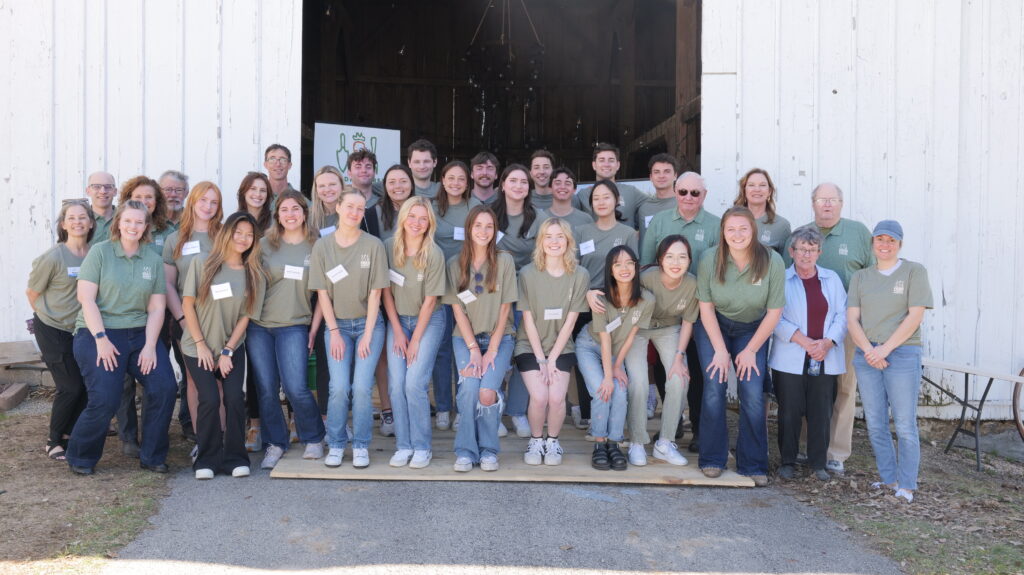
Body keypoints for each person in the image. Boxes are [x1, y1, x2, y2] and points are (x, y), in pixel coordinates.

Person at [65, 200, 177, 475]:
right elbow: (86, 299)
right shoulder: (100, 253)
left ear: (146, 227)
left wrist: (150, 346)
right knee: (106, 396)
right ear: (118, 223)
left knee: (164, 387)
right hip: (98, 331)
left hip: (140, 333)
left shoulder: (152, 257)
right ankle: (80, 456)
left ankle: (152, 456)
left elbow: (156, 307)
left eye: (139, 222)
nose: (133, 226)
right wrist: (101, 339)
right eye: (127, 221)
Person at [695, 206, 785, 486]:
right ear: (722, 232)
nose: (737, 234)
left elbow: (774, 312)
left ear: (753, 230)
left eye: (743, 228)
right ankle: (712, 458)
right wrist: (721, 351)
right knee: (714, 386)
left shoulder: (772, 260)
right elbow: (706, 307)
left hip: (752, 330)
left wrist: (750, 350)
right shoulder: (710, 258)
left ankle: (753, 463)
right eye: (731, 229)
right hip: (715, 326)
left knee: (753, 392)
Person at [847, 220, 932, 503]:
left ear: (900, 244)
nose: (885, 245)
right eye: (880, 239)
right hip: (866, 353)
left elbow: (915, 316)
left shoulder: (913, 272)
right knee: (875, 421)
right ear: (872, 243)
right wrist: (869, 350)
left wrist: (885, 349)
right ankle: (888, 477)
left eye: (891, 241)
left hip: (902, 353)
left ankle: (907, 485)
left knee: (905, 423)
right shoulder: (861, 277)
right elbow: (852, 319)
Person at [793, 182, 874, 475]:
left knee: (843, 387)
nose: (827, 205)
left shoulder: (858, 233)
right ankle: (806, 445)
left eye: (832, 200)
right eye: (821, 199)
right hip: (806, 326)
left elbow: (873, 276)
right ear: (812, 203)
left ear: (841, 203)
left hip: (847, 325)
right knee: (807, 387)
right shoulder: (801, 234)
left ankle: (836, 452)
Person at [181, 212, 267, 479]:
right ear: (227, 232)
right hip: (198, 346)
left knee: (233, 398)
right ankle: (206, 459)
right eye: (238, 232)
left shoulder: (254, 274)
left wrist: (228, 350)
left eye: (249, 234)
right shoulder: (202, 263)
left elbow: (247, 315)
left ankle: (235, 457)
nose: (243, 239)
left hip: (232, 347)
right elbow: (187, 304)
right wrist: (202, 345)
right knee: (208, 398)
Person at [641, 171, 721, 452]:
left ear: (704, 195)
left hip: (702, 309)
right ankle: (671, 425)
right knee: (666, 369)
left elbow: (721, 269)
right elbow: (648, 263)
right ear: (675, 192)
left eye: (695, 193)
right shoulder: (660, 221)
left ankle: (699, 429)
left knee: (698, 370)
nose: (688, 197)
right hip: (666, 310)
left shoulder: (715, 225)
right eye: (683, 192)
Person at [246, 190, 326, 470]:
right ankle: (275, 443)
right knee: (266, 389)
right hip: (260, 327)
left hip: (295, 324)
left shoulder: (317, 246)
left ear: (304, 212)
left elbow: (324, 294)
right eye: (284, 210)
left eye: (295, 209)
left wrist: (313, 329)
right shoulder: (264, 244)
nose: (290, 214)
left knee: (296, 388)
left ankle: (314, 438)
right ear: (277, 215)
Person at [309, 188, 389, 468]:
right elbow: (322, 293)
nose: (355, 212)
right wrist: (332, 333)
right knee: (339, 387)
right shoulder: (323, 246)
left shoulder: (373, 245)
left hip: (369, 324)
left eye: (360, 208)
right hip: (338, 326)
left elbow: (377, 295)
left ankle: (362, 445)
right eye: (350, 207)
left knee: (363, 388)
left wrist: (368, 334)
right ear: (339, 208)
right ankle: (337, 442)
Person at [769, 226, 847, 481]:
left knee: (821, 410)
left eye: (812, 250)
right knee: (789, 411)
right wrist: (803, 340)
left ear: (819, 252)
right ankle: (788, 461)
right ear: (791, 251)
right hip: (790, 355)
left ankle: (818, 463)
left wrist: (827, 343)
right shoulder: (781, 278)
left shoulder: (831, 279)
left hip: (824, 355)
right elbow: (774, 316)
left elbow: (842, 315)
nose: (806, 255)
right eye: (801, 249)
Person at [446, 206, 517, 472]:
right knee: (468, 390)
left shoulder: (505, 261)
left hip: (500, 338)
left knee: (487, 393)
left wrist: (492, 350)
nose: (483, 231)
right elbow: (457, 310)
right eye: (478, 225)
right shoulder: (456, 264)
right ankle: (465, 450)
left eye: (489, 226)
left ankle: (488, 450)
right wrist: (474, 349)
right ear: (468, 229)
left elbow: (505, 308)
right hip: (465, 339)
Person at [515, 218, 590, 465]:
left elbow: (570, 322)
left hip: (561, 346)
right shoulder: (527, 274)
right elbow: (528, 321)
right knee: (540, 397)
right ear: (540, 241)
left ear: (568, 240)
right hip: (530, 346)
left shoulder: (579, 275)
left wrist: (553, 359)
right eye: (548, 236)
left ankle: (553, 441)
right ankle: (536, 441)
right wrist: (541, 360)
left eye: (560, 236)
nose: (554, 241)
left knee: (557, 398)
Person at [620, 235, 698, 466]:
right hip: (638, 328)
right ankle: (636, 441)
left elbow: (687, 322)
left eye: (682, 257)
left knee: (678, 378)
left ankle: (665, 442)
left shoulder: (692, 284)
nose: (676, 262)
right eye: (670, 256)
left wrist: (678, 357)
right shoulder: (646, 278)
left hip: (669, 328)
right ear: (660, 259)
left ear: (689, 260)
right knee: (639, 382)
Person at [27, 200, 95, 461]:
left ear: (90, 223)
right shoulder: (53, 257)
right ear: (64, 224)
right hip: (53, 330)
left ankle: (68, 435)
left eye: (82, 217)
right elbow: (32, 293)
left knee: (84, 386)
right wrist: (47, 317)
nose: (77, 222)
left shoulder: (95, 253)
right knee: (70, 387)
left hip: (80, 329)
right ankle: (52, 440)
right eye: (71, 218)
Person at [382, 198, 447, 468]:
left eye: (423, 218)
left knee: (414, 384)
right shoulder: (388, 247)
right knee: (396, 385)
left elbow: (431, 302)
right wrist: (398, 332)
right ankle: (404, 445)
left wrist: (415, 339)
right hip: (397, 321)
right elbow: (385, 292)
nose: (417, 223)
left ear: (429, 222)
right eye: (412, 216)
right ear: (403, 218)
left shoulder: (434, 253)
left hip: (428, 321)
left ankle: (422, 446)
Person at [577, 246, 654, 471]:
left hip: (614, 351)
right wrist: (609, 376)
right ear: (610, 270)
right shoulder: (602, 298)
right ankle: (599, 444)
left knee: (620, 390)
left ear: (636, 267)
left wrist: (617, 366)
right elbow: (604, 338)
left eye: (629, 263)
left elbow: (630, 336)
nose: (624, 268)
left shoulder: (646, 299)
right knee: (603, 390)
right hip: (590, 346)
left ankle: (614, 442)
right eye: (618, 264)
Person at [115, 176, 174, 455]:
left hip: (157, 313)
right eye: (139, 196)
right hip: (124, 318)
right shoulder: (116, 233)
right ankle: (128, 436)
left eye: (150, 197)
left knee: (155, 376)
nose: (145, 202)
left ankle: (154, 434)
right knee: (124, 381)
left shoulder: (168, 230)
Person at [163, 182, 224, 445]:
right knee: (193, 379)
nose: (208, 207)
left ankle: (220, 438)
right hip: (186, 319)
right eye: (203, 201)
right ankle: (202, 440)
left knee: (219, 380)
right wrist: (182, 319)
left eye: (214, 202)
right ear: (192, 202)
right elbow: (168, 284)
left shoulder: (224, 236)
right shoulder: (175, 239)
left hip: (220, 319)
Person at [428, 161, 478, 431]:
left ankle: (462, 407)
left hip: (467, 288)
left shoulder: (474, 208)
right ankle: (443, 408)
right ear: (442, 180)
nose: (456, 183)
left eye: (461, 179)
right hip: (437, 286)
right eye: (451, 178)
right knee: (442, 350)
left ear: (467, 182)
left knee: (464, 346)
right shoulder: (432, 208)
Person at [493, 164, 538, 437]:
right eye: (513, 181)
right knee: (497, 350)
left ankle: (518, 411)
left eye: (524, 182)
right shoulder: (490, 215)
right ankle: (495, 409)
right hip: (494, 294)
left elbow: (543, 256)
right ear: (503, 185)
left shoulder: (538, 218)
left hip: (527, 293)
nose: (519, 186)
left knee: (524, 351)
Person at [572, 143, 645, 225]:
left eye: (611, 160)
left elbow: (656, 206)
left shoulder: (631, 192)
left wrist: (641, 232)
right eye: (602, 160)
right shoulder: (583, 195)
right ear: (594, 165)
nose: (606, 164)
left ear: (618, 165)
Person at [733, 168, 791, 254]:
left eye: (762, 185)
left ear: (769, 191)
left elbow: (785, 264)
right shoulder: (731, 221)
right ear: (744, 190)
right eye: (751, 185)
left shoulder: (782, 226)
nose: (757, 189)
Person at [636, 154, 680, 246]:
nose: (661, 176)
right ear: (651, 177)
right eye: (656, 172)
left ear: (675, 175)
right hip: (648, 260)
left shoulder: (683, 204)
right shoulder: (644, 208)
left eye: (666, 171)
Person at [367, 164, 414, 242]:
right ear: (385, 186)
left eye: (403, 181)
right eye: (392, 182)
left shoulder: (423, 212)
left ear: (412, 185)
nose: (398, 186)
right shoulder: (372, 214)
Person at [309, 166, 344, 236]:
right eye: (322, 186)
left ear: (342, 186)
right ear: (316, 190)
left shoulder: (353, 213)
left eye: (332, 184)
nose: (327, 190)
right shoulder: (308, 217)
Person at [85, 172, 117, 245]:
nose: (103, 191)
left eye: (108, 187)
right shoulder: (80, 220)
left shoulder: (125, 218)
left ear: (115, 191)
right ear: (88, 191)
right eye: (96, 187)